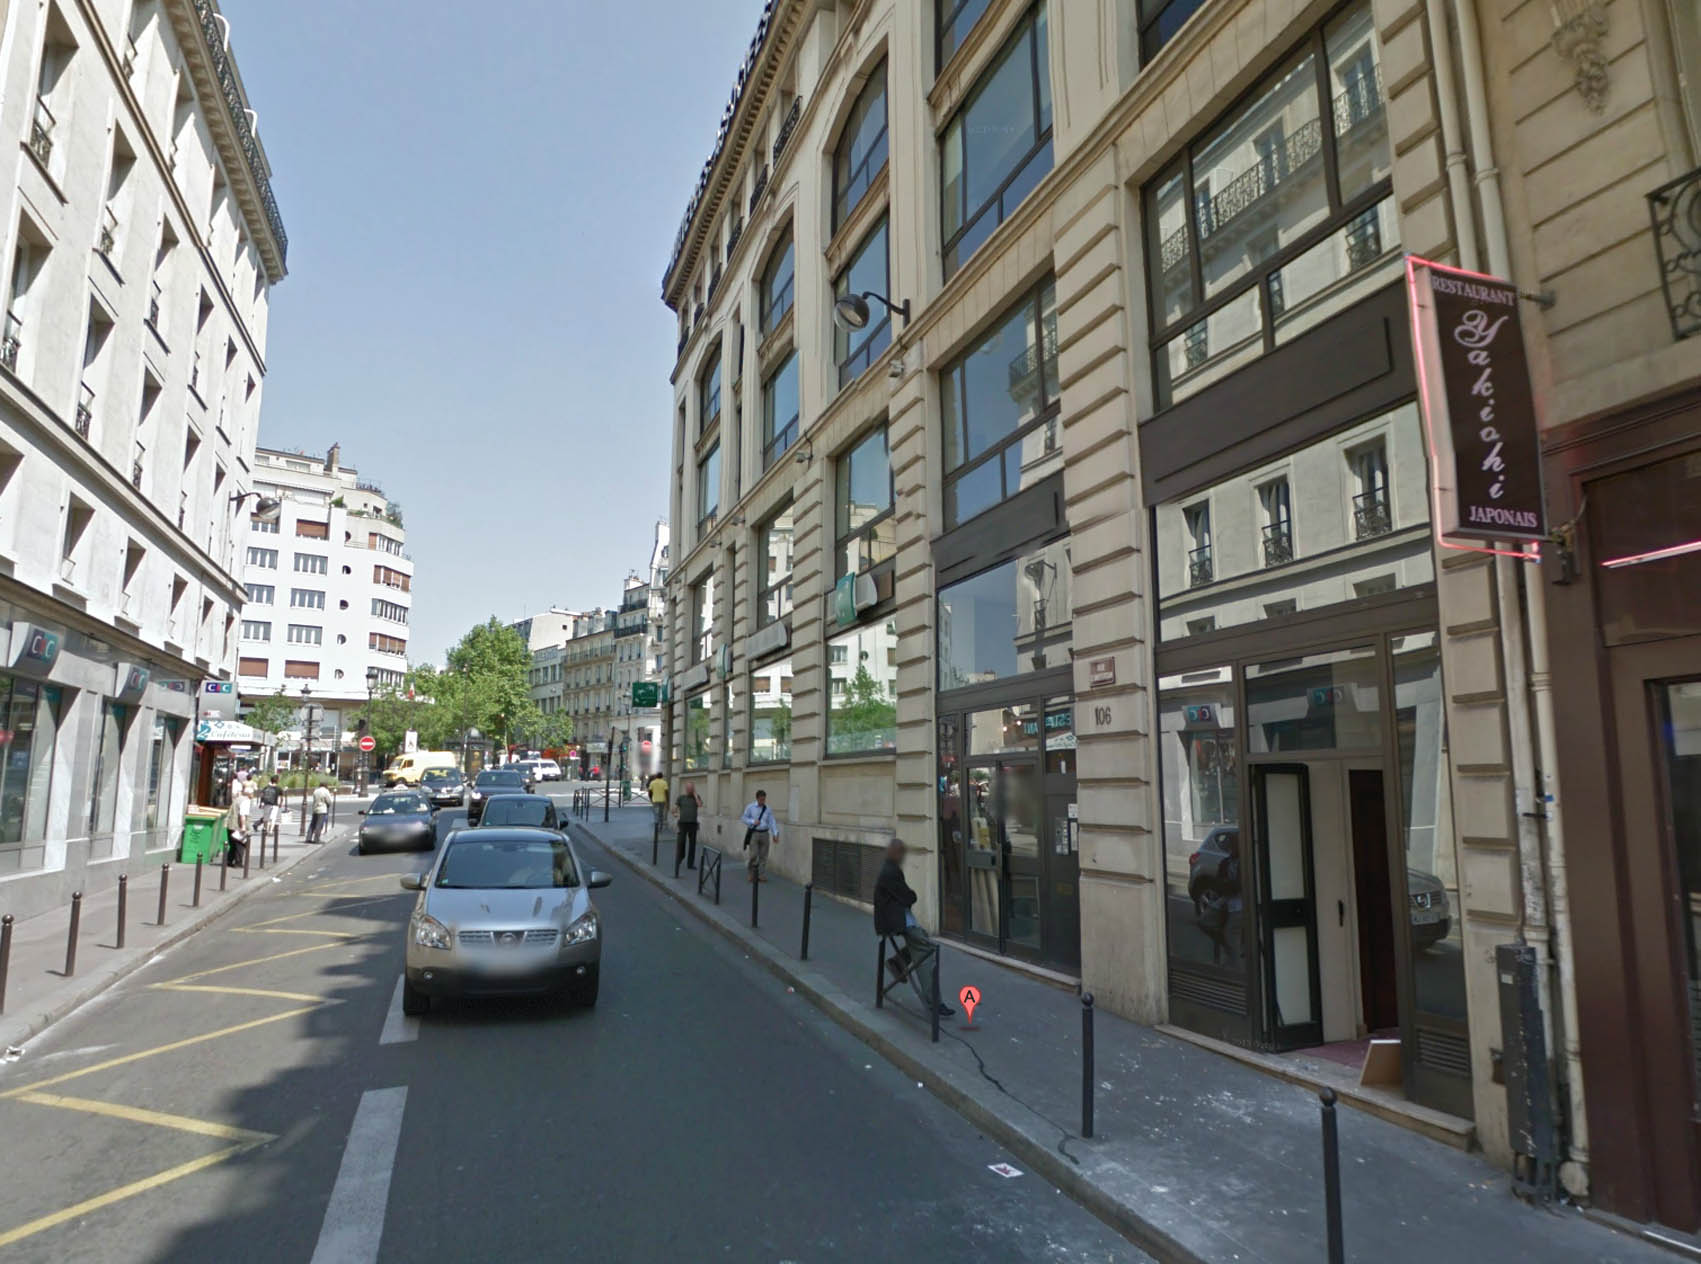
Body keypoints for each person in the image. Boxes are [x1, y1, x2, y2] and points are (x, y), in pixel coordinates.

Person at [874, 837, 953, 1017]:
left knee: (922, 938)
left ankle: (897, 962)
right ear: (896, 853)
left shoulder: (890, 868)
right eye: (902, 853)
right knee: (927, 950)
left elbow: (904, 896)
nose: (903, 857)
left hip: (897, 919)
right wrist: (911, 896)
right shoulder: (891, 872)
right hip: (896, 921)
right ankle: (934, 1002)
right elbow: (908, 896)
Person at [740, 789, 779, 883]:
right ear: (757, 798)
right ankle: (751, 873)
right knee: (753, 855)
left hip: (765, 833)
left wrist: (775, 833)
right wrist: (752, 821)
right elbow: (743, 818)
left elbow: (772, 821)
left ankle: (761, 875)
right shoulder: (750, 807)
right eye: (761, 799)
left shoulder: (767, 808)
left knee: (763, 856)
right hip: (755, 833)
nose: (763, 801)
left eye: (764, 799)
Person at [673, 781, 700, 870]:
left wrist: (695, 795)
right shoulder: (681, 798)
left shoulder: (696, 797)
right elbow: (674, 808)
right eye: (688, 788)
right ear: (686, 789)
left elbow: (699, 805)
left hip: (693, 824)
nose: (689, 790)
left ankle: (690, 864)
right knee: (681, 842)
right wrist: (675, 813)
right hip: (682, 823)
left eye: (691, 788)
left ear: (693, 789)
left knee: (692, 845)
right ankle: (681, 857)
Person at [258, 776, 282, 846]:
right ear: (277, 781)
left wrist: (261, 803)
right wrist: (280, 803)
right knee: (273, 818)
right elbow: (281, 797)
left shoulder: (266, 787)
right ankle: (270, 831)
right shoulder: (278, 788)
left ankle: (265, 829)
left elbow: (262, 796)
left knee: (266, 818)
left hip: (267, 804)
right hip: (274, 805)